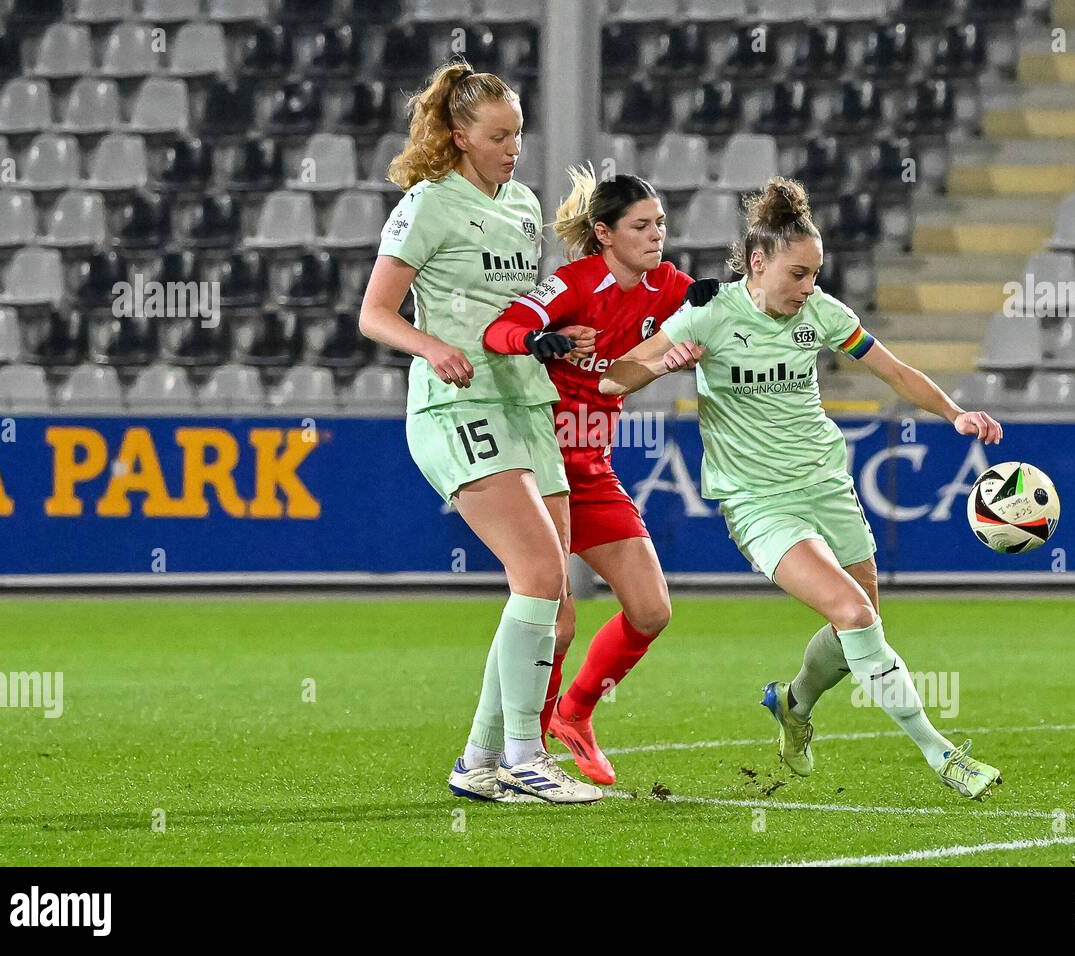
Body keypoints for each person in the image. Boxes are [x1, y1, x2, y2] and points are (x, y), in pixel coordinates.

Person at [599, 177, 1006, 800]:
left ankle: (793, 704)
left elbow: (894, 370)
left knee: (862, 622)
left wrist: (956, 415)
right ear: (757, 264)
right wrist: (661, 364)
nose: (807, 287)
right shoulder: (709, 313)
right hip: (758, 502)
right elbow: (613, 380)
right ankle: (941, 752)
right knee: (853, 613)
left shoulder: (823, 314)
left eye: (814, 274)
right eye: (797, 274)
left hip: (825, 483)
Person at [358, 61, 599, 804]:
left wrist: (557, 337)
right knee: (537, 574)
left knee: (558, 611)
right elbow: (374, 312)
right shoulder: (428, 204)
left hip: (526, 403)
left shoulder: (524, 205)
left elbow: (519, 310)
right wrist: (431, 346)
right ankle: (527, 758)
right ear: (459, 135)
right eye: (498, 136)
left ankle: (480, 760)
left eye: (519, 134)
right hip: (456, 408)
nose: (512, 148)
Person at [483, 165, 719, 785]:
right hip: (540, 469)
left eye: (660, 223)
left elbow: (719, 310)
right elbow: (498, 329)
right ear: (604, 233)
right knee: (556, 622)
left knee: (651, 610)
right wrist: (542, 341)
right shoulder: (574, 284)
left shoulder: (666, 287)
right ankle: (524, 755)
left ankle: (575, 713)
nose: (656, 235)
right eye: (641, 225)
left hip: (593, 471)